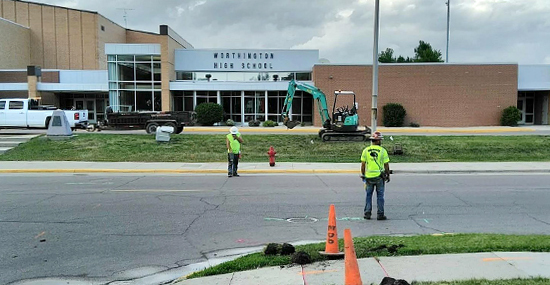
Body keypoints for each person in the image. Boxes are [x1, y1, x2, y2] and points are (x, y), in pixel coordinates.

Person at [360, 131, 390, 220]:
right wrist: (387, 174)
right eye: (380, 140)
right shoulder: (382, 151)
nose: (380, 141)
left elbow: (363, 164)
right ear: (377, 141)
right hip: (379, 177)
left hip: (369, 177)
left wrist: (363, 174)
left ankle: (367, 213)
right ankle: (380, 214)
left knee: (368, 195)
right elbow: (386, 165)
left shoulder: (365, 150)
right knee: (380, 196)